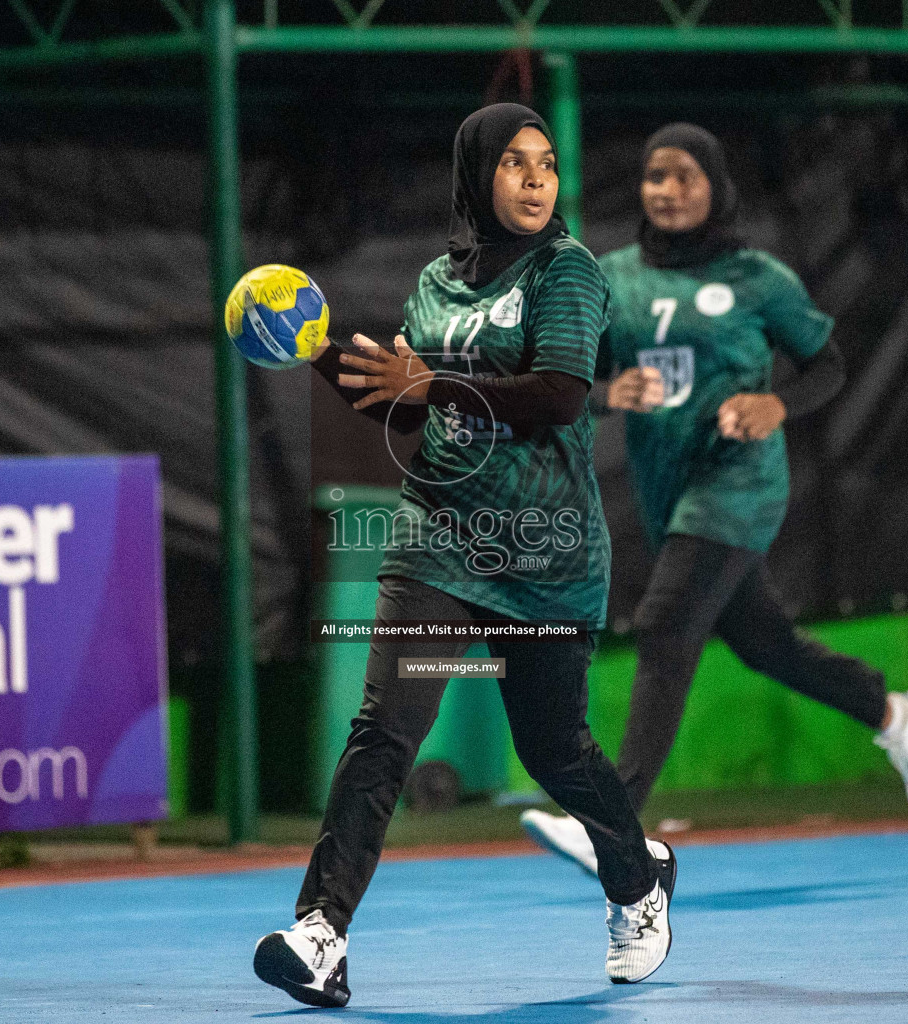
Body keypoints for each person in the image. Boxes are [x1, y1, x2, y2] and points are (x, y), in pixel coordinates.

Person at [252, 104, 676, 1008]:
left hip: (546, 550)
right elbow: (409, 413)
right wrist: (320, 350)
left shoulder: (570, 272)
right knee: (384, 728)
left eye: (549, 164)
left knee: (553, 749)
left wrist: (432, 380)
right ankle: (321, 932)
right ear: (476, 176)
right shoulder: (435, 282)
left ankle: (638, 883)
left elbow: (560, 398)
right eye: (515, 164)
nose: (535, 178)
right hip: (437, 536)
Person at [520, 123, 908, 877]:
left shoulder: (758, 278)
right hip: (670, 490)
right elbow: (559, 381)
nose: (670, 190)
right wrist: (607, 392)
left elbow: (827, 363)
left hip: (740, 484)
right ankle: (895, 714)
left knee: (664, 629)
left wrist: (776, 406)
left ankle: (609, 823)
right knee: (764, 644)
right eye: (657, 176)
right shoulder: (608, 277)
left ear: (717, 187)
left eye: (687, 176)